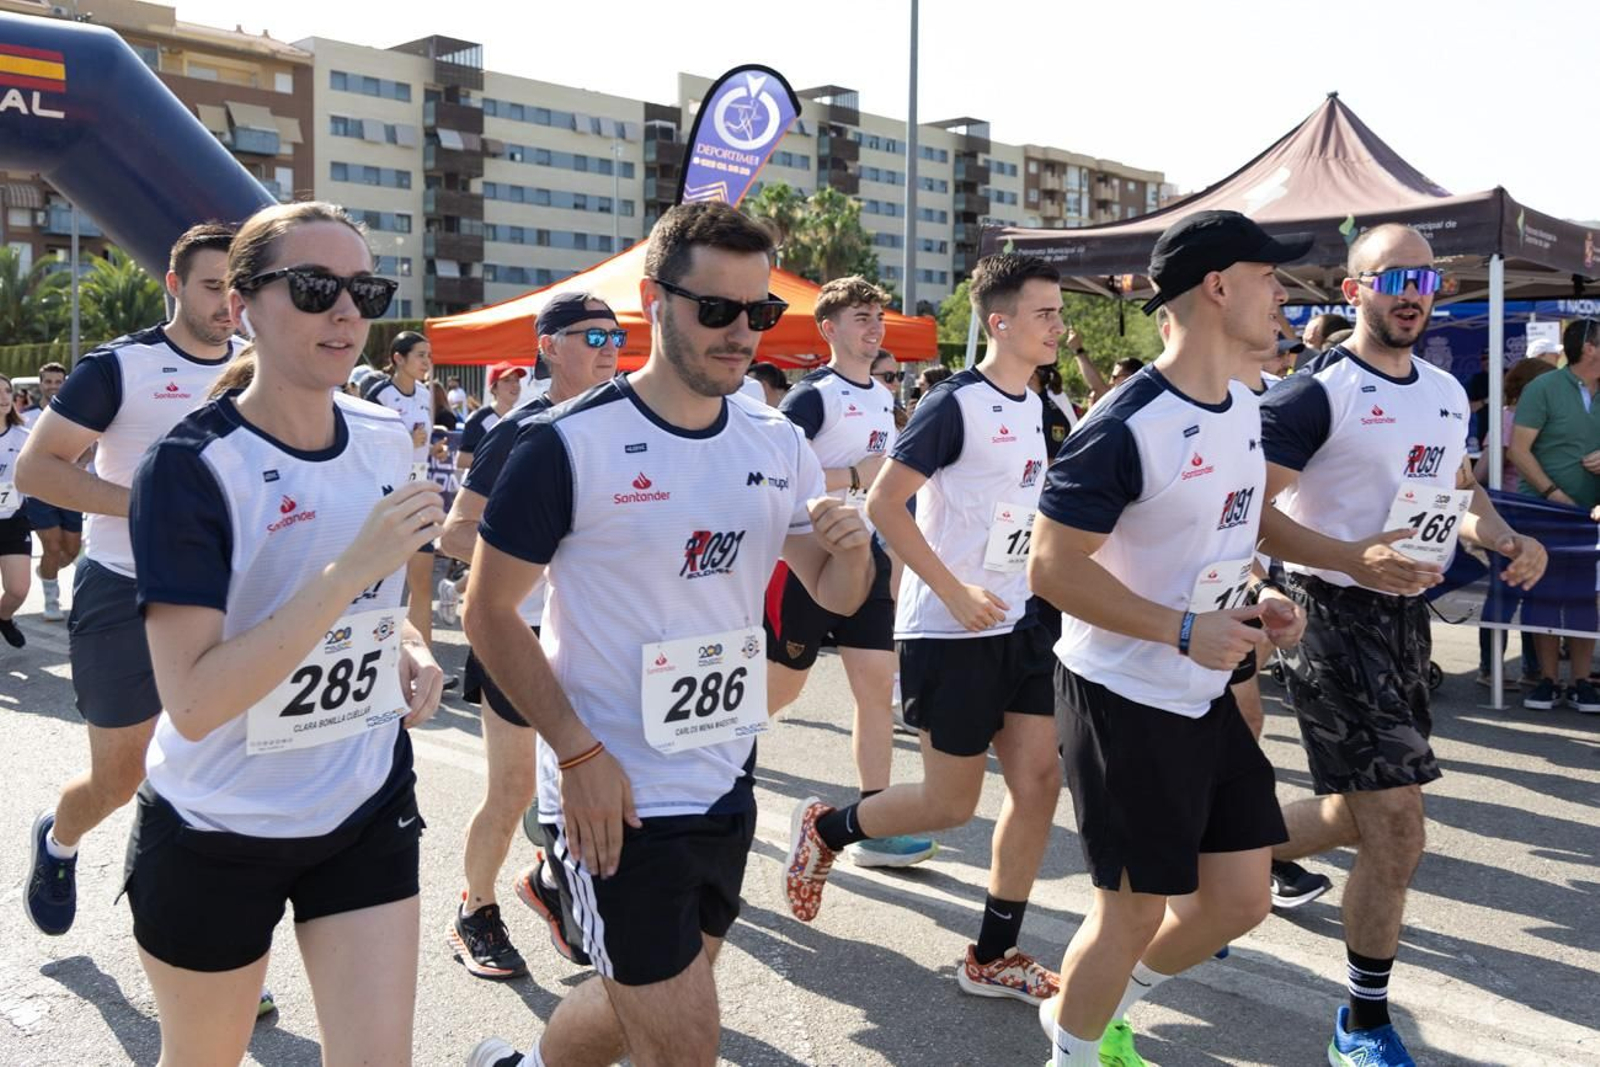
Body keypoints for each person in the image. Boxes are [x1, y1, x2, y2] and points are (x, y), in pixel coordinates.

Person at [465, 201, 872, 1067]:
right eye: (715, 309)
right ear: (654, 299)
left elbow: (832, 590)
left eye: (758, 314)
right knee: (685, 1044)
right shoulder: (567, 444)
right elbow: (487, 610)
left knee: (633, 1004)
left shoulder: (774, 439)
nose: (739, 334)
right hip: (610, 795)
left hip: (723, 775)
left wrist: (855, 552)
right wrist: (575, 753)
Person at [123, 199, 444, 1066]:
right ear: (241, 307)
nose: (346, 312)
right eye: (313, 288)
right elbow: (192, 702)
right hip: (220, 823)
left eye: (363, 290)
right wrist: (347, 571)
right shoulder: (191, 466)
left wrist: (407, 644)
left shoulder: (383, 434)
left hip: (362, 798)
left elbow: (377, 602)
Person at [1258, 222, 1547, 1066]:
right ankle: (1363, 1019)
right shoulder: (1315, 393)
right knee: (1397, 827)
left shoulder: (1445, 389)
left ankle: (1231, 849)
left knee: (1358, 812)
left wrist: (1503, 538)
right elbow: (1250, 513)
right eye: (1392, 279)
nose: (1413, 293)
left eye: (1424, 278)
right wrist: (1354, 559)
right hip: (1328, 613)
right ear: (1355, 291)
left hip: (1403, 619)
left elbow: (1454, 492)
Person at [1032, 210, 1309, 1066]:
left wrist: (1260, 597)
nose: (1285, 294)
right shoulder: (1125, 421)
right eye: (1271, 276)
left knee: (1240, 897)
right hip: (1122, 693)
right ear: (1218, 287)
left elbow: (1211, 543)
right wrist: (1182, 628)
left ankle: (1100, 1008)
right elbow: (1050, 568)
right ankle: (1073, 1051)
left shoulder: (1243, 404)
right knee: (1134, 909)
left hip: (1197, 687)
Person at [784, 254, 1064, 1007]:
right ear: (999, 323)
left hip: (1018, 619)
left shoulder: (1035, 401)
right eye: (1047, 314)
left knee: (1039, 780)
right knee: (950, 803)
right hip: (949, 625)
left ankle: (993, 953)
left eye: (1060, 312)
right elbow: (885, 504)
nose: (1060, 327)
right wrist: (953, 588)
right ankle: (829, 828)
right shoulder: (954, 402)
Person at [18, 222, 243, 938]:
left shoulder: (259, 368)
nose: (228, 305)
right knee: (119, 779)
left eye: (238, 289)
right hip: (122, 589)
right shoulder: (120, 367)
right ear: (174, 286)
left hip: (226, 599)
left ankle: (210, 943)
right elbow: (37, 469)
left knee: (214, 774)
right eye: (212, 287)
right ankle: (58, 837)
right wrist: (152, 508)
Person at [437, 291, 623, 980]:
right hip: (522, 632)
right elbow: (455, 530)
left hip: (601, 640)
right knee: (513, 787)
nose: (609, 348)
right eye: (591, 337)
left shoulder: (631, 419)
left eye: (615, 336)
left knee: (601, 778)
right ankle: (474, 908)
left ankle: (554, 883)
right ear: (548, 346)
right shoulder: (523, 429)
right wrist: (543, 547)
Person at [767, 276, 937, 868]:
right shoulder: (812, 396)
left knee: (873, 691)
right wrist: (856, 476)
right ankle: (687, 769)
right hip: (810, 562)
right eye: (860, 317)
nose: (874, 327)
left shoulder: (880, 398)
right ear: (829, 329)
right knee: (779, 691)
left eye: (878, 316)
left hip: (865, 561)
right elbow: (777, 471)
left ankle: (873, 824)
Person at [1507, 317, 1600, 711]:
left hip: (1592, 516)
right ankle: (1546, 679)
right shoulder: (1543, 387)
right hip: (1543, 511)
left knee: (1585, 598)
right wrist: (1552, 493)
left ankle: (1581, 681)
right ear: (1590, 347)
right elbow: (1518, 450)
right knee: (1543, 596)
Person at [1470, 356, 1554, 688]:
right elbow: (1480, 475)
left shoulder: (1531, 418)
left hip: (1533, 518)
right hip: (1507, 519)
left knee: (1532, 592)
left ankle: (1533, 668)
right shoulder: (1508, 419)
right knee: (1505, 594)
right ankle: (1491, 668)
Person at [364, 331, 443, 655]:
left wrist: (434, 449)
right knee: (377, 583)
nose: (427, 362)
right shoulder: (379, 394)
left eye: (428, 355)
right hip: (385, 493)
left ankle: (422, 657)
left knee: (422, 581)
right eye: (420, 355)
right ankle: (374, 654)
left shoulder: (425, 394)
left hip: (418, 491)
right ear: (398, 358)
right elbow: (362, 446)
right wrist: (403, 445)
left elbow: (423, 444)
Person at [23, 361, 76, 622]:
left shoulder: (79, 413)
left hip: (72, 491)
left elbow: (90, 448)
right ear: (40, 383)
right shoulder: (27, 418)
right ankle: (51, 601)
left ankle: (47, 570)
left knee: (71, 552)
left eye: (58, 381)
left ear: (65, 383)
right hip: (40, 493)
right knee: (52, 546)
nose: (53, 386)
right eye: (48, 381)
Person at [0, 373, 32, 648]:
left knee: (18, 589)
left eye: (7, 391)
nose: (3, 397)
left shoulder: (24, 437)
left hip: (12, 520)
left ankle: (3, 616)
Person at [456, 362, 526, 472]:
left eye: (516, 380)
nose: (515, 385)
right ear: (494, 388)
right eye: (507, 380)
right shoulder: (478, 419)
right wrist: (499, 459)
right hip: (482, 487)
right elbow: (461, 460)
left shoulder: (522, 417)